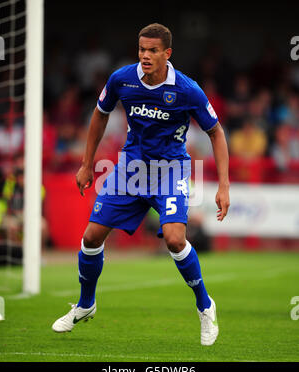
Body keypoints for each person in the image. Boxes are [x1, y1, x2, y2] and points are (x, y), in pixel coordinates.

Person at [52, 23, 230, 346]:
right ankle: (86, 303)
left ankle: (205, 305)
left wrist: (223, 185)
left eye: (152, 51)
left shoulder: (188, 90)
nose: (145, 56)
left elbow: (216, 132)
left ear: (167, 54)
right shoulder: (122, 79)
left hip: (171, 171)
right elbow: (100, 114)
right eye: (141, 50)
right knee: (91, 237)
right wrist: (86, 164)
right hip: (131, 170)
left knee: (176, 240)